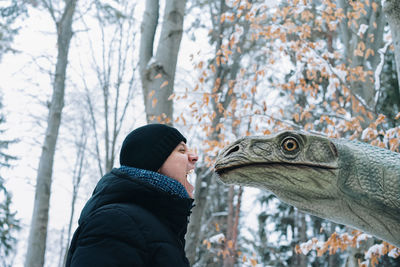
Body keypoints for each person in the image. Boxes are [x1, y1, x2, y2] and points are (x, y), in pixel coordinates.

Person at [66, 124, 198, 266]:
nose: (194, 157)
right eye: (181, 150)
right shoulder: (115, 222)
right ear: (153, 163)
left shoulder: (159, 227)